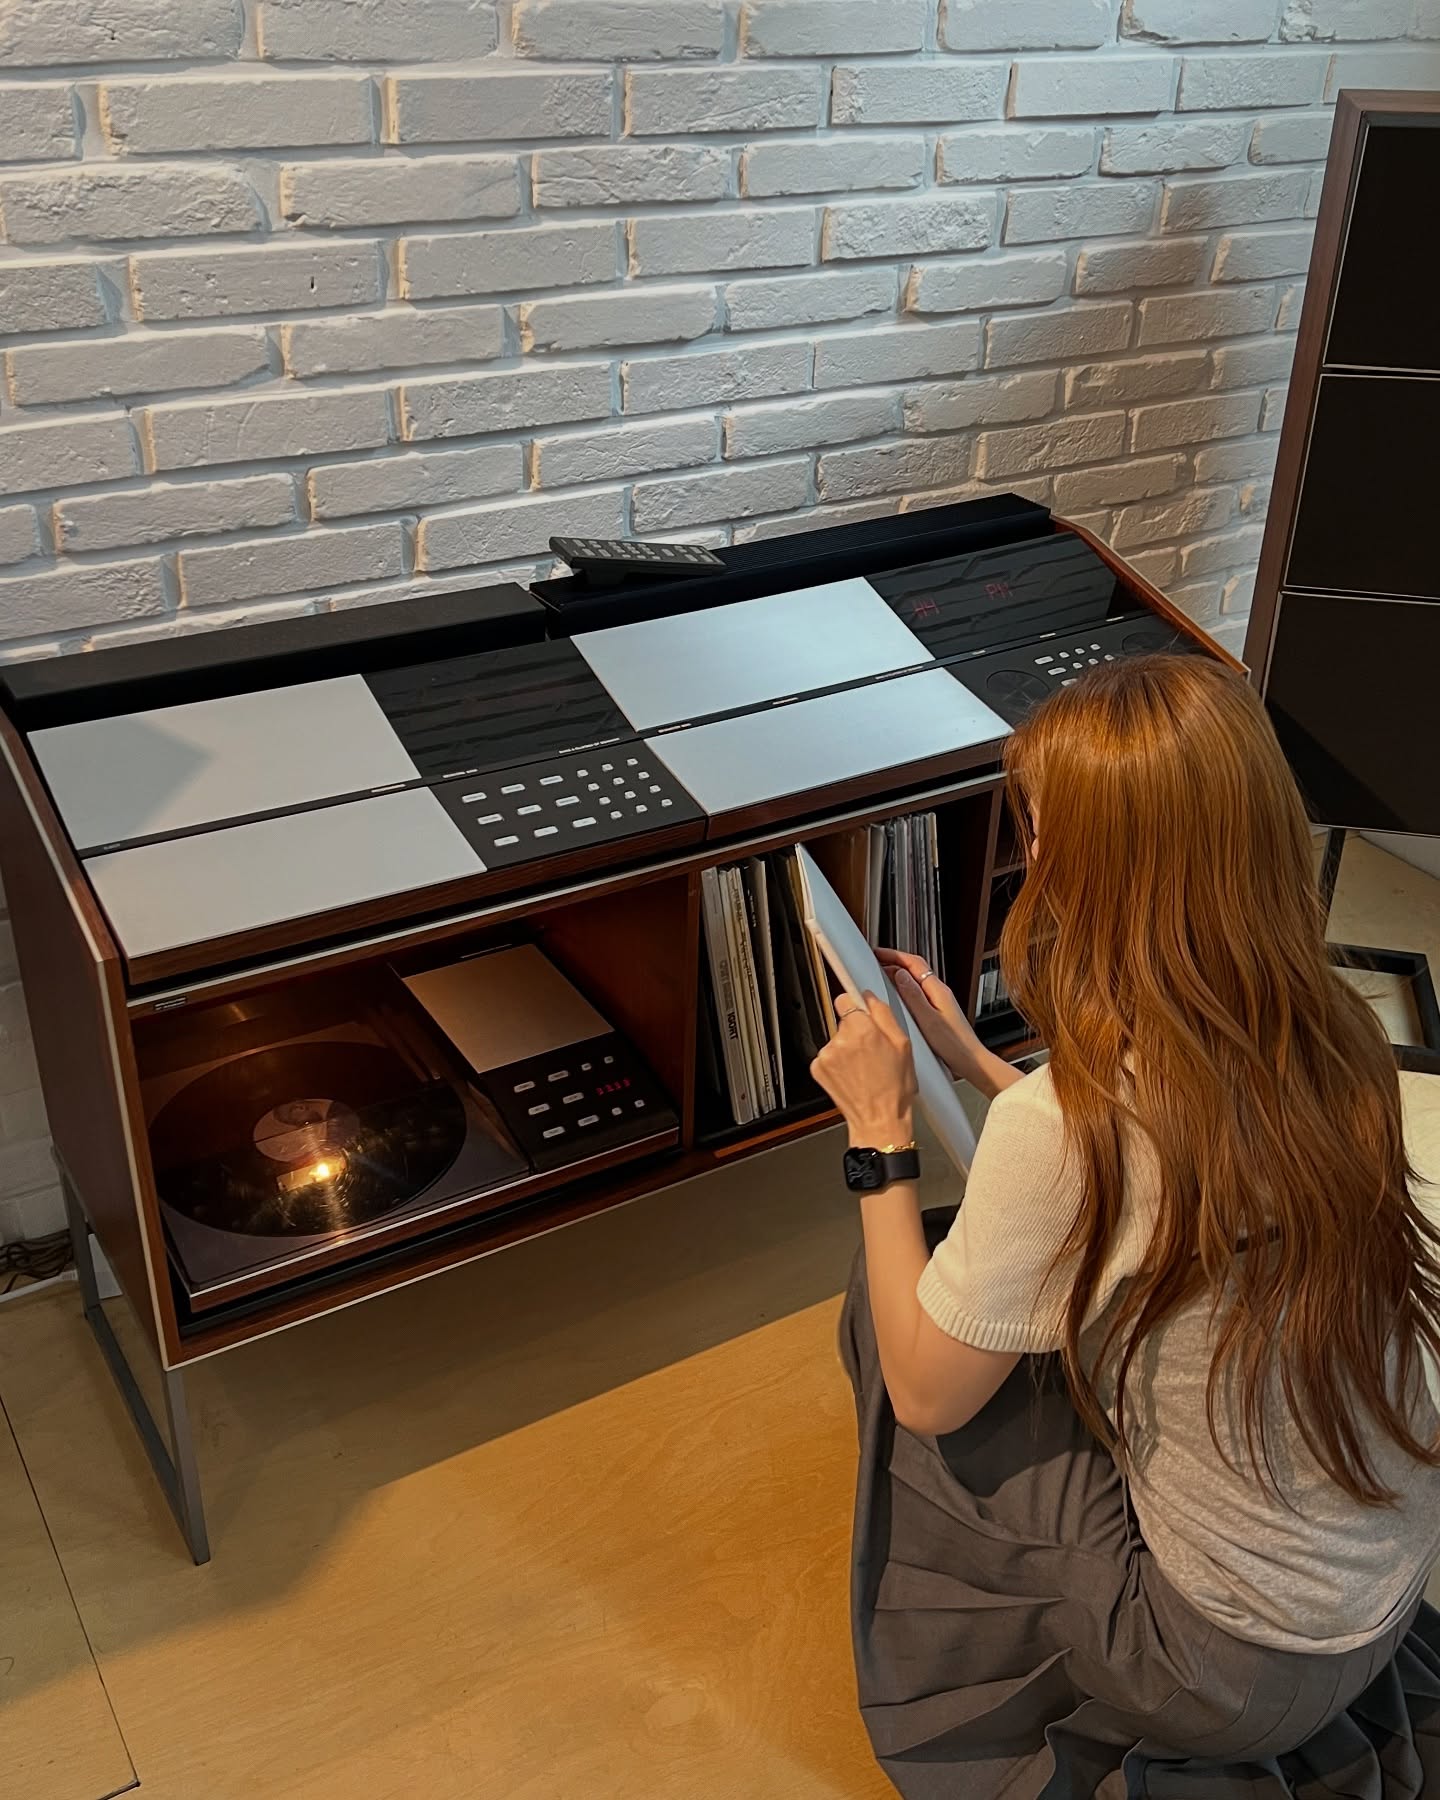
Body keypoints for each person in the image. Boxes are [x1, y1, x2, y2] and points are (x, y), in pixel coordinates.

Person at [809, 654, 1440, 1799]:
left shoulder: (1061, 1127)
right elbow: (1154, 1176)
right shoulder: (1334, 1031)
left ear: (1091, 863)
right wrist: (975, 1060)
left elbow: (926, 1392)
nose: (1031, 852)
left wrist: (880, 1131)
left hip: (1223, 1671)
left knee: (896, 1295)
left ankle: (960, 1680)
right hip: (1377, 1601)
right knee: (995, 1286)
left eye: (1041, 829)